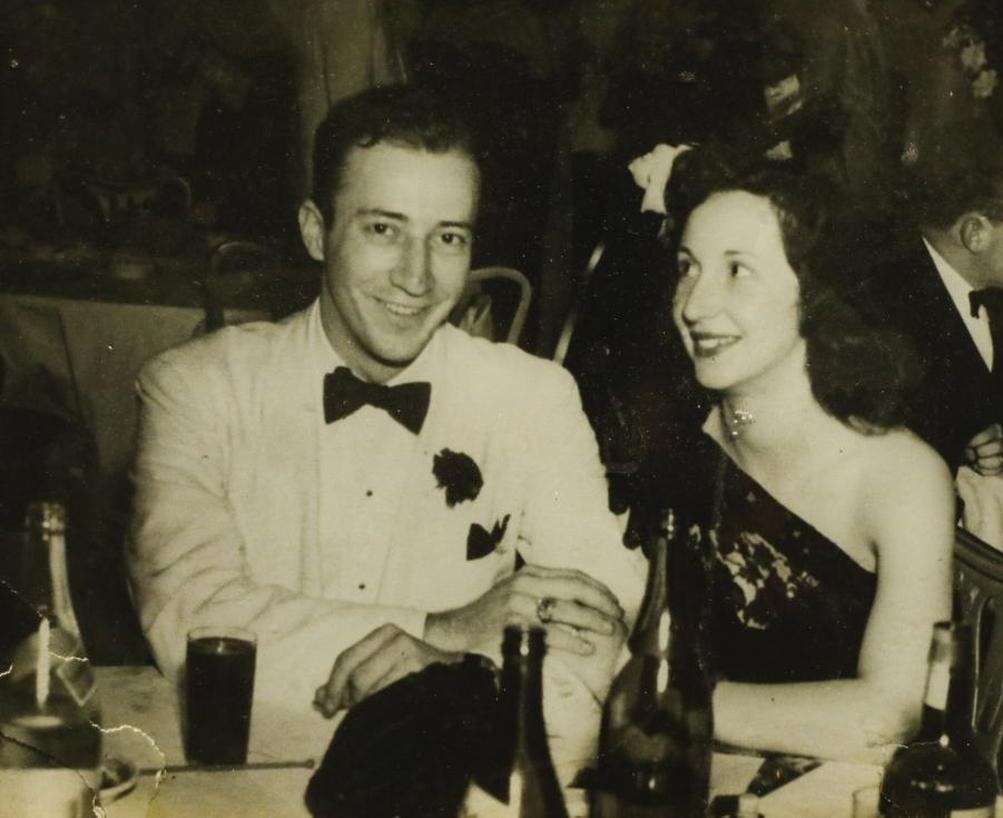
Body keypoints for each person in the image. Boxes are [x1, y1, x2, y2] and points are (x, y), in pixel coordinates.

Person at [126, 85, 644, 731]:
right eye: (383, 230)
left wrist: (460, 675)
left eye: (447, 238)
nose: (416, 278)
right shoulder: (197, 387)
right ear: (316, 231)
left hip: (447, 755)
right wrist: (445, 632)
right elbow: (195, 622)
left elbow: (597, 626)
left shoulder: (533, 397)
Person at [658, 147, 955, 762]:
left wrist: (671, 701)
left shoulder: (900, 476)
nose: (693, 305)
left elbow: (890, 713)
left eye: (737, 271)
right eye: (688, 267)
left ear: (815, 292)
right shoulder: (687, 432)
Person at [856, 124, 1003, 475]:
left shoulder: (996, 303)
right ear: (975, 233)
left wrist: (998, 443)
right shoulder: (883, 311)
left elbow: (986, 416)